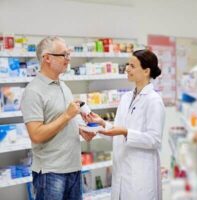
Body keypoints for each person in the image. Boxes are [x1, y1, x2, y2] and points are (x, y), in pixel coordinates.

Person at [84, 49, 166, 200]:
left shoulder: (153, 100)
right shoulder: (126, 98)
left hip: (140, 175)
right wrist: (101, 124)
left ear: (146, 71)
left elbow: (154, 140)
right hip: (121, 173)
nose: (127, 68)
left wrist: (125, 132)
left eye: (132, 66)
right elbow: (118, 134)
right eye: (127, 64)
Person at [21, 36, 95, 200]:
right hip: (51, 172)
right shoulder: (33, 92)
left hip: (74, 168)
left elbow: (64, 122)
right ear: (47, 58)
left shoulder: (63, 86)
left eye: (68, 54)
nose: (68, 59)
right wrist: (67, 115)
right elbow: (37, 135)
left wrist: (81, 130)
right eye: (64, 55)